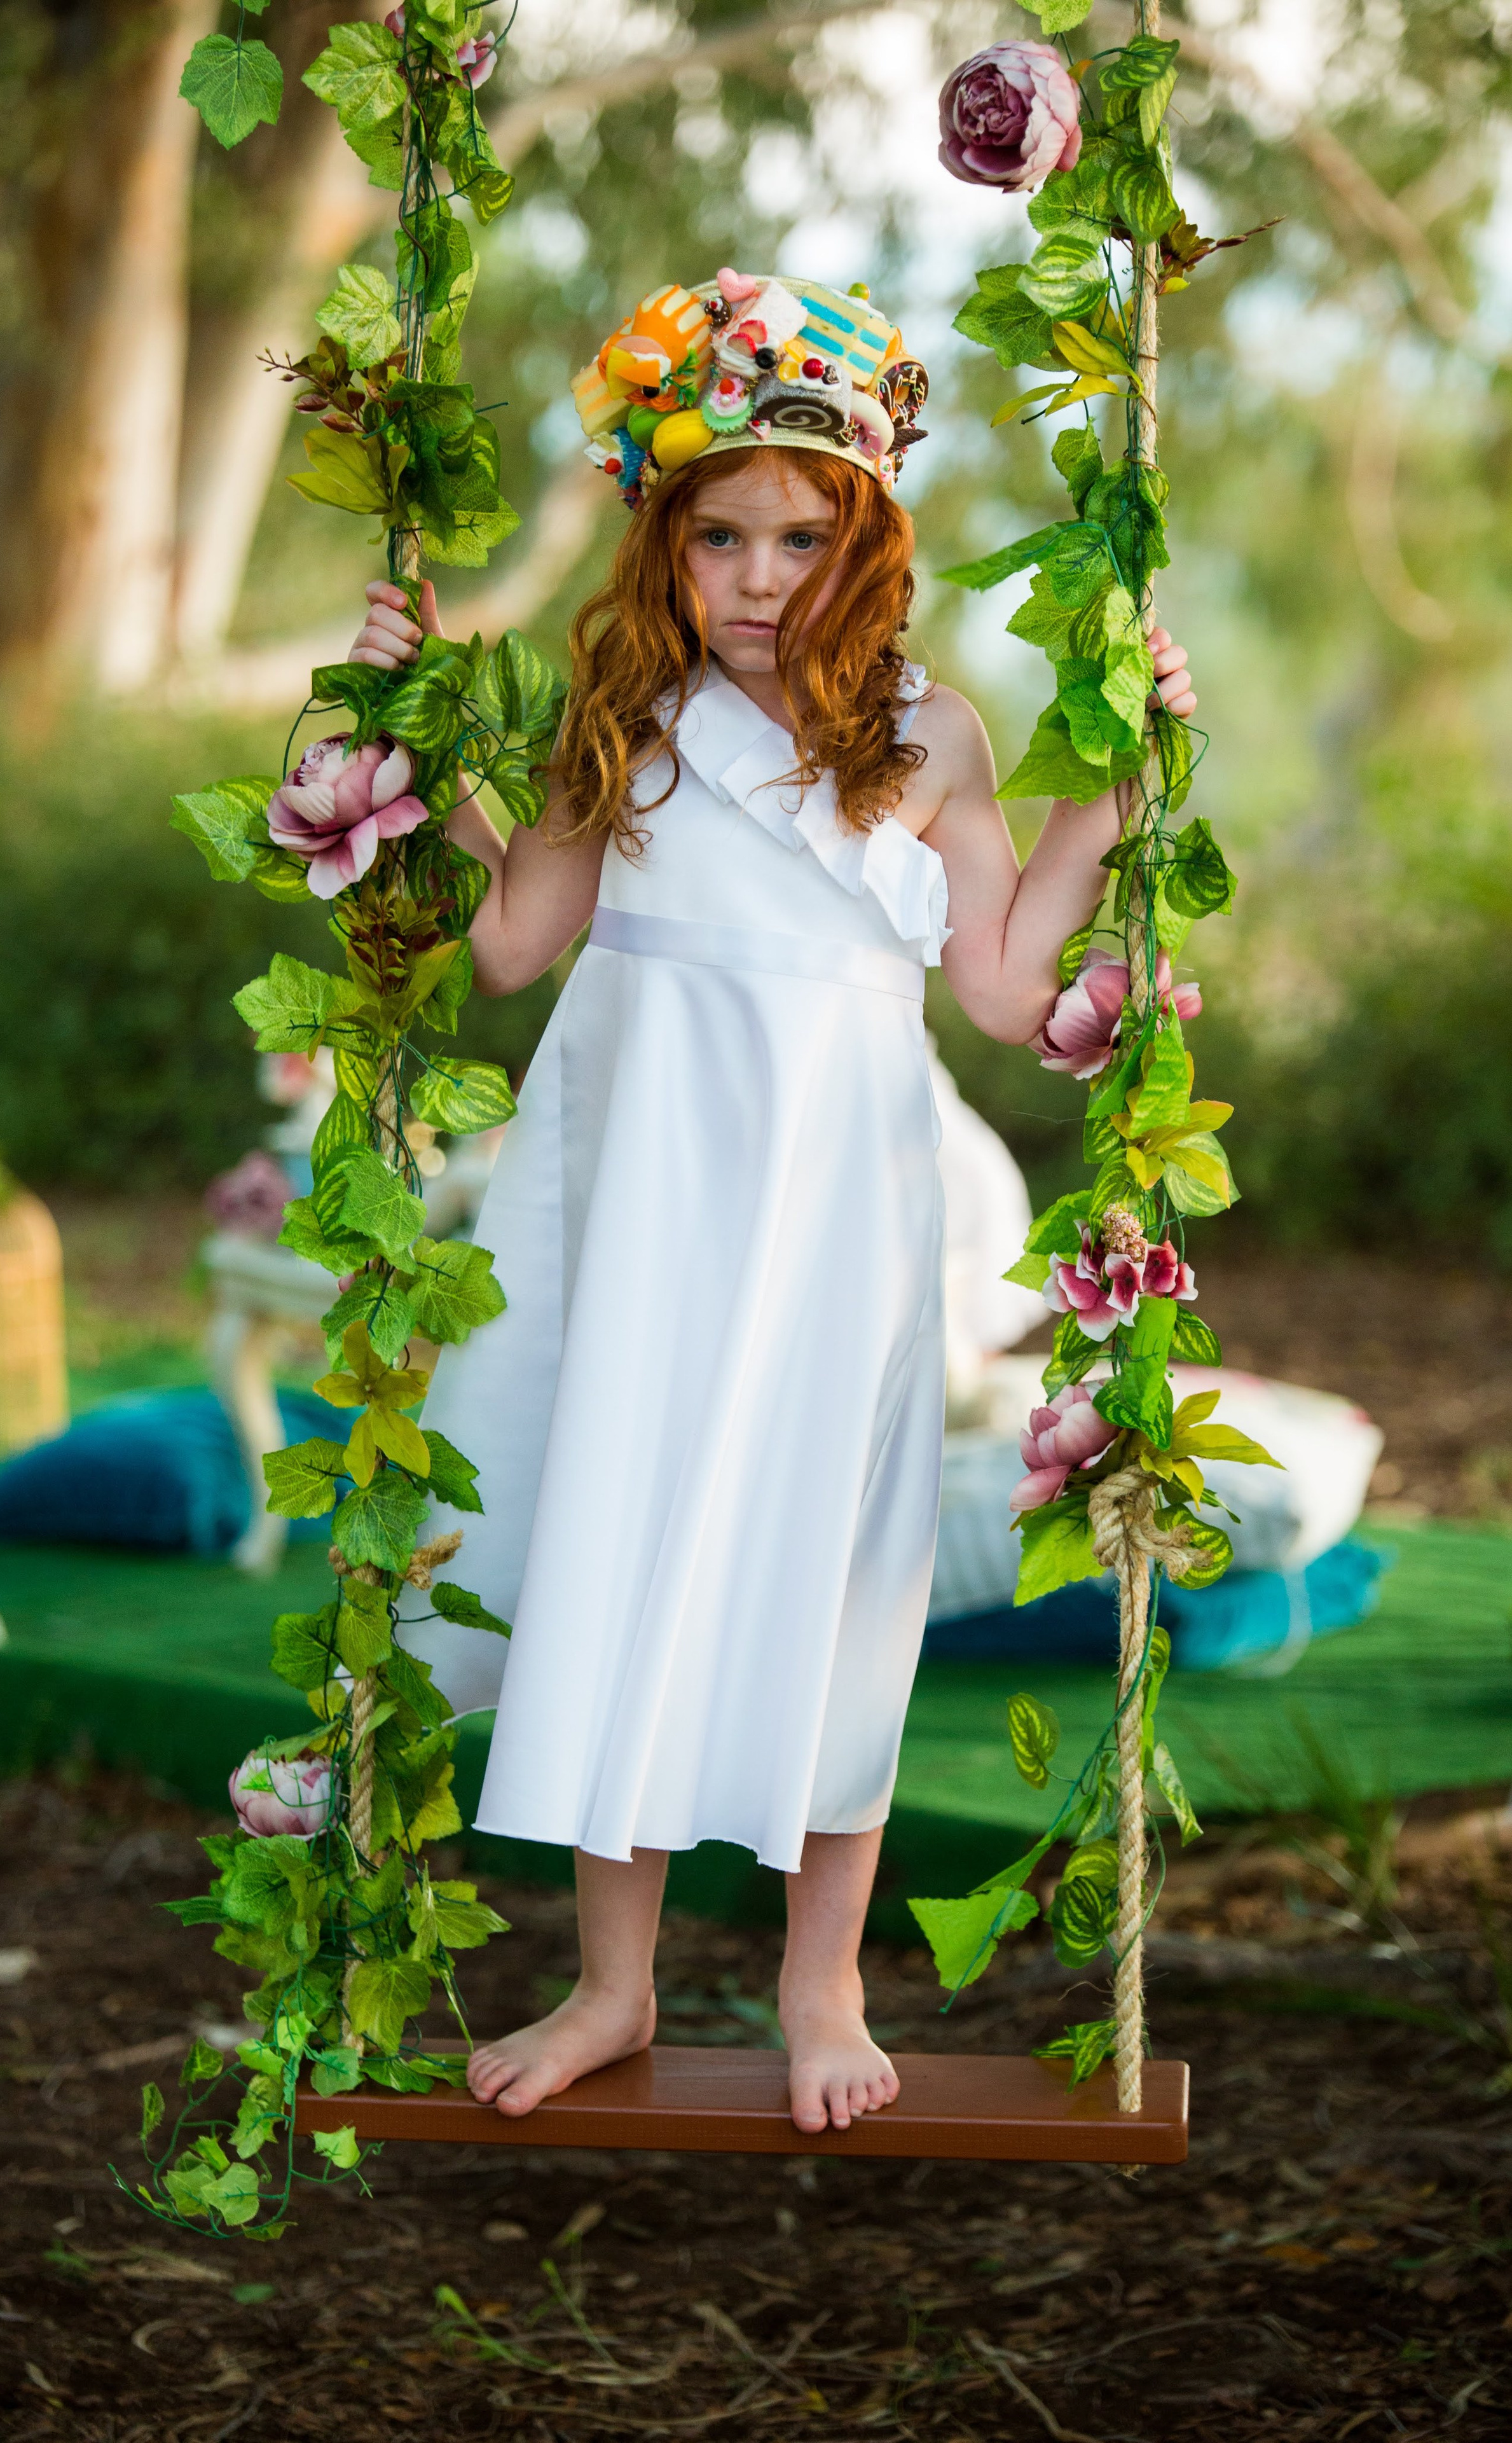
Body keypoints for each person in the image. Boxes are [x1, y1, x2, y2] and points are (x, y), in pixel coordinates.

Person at [347, 270, 1197, 2135]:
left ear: (867, 540)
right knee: (619, 1543)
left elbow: (992, 987)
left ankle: (824, 1980)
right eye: (718, 534)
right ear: (662, 541)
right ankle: (613, 1981)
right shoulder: (619, 713)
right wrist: (415, 758)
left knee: (835, 1566)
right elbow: (509, 950)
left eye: (802, 537)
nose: (757, 575)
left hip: (836, 1207)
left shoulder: (929, 732)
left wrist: (1100, 804)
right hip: (640, 1194)